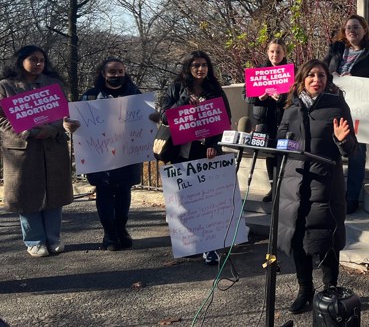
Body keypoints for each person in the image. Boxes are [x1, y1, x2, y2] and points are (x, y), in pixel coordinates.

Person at [276, 59, 357, 314]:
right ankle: (305, 290)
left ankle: (330, 290)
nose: (316, 80)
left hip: (325, 185)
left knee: (327, 239)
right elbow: (279, 143)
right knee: (297, 239)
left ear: (327, 80)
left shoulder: (337, 105)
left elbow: (351, 149)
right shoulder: (290, 108)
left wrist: (341, 141)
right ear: (302, 79)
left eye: (321, 75)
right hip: (294, 185)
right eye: (310, 75)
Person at [64, 58, 144, 251]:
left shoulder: (135, 94)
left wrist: (153, 118)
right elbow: (76, 123)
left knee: (124, 191)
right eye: (112, 72)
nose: (117, 75)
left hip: (128, 153)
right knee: (105, 192)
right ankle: (109, 234)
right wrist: (69, 125)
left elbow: (145, 118)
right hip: (98, 154)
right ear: (103, 74)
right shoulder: (90, 97)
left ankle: (121, 229)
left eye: (120, 71)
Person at [0, 45, 74, 257]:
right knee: (27, 195)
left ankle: (54, 238)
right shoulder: (5, 87)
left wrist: (52, 130)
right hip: (21, 150)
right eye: (34, 59)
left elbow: (66, 115)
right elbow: (0, 119)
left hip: (53, 146)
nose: (39, 64)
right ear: (21, 60)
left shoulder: (54, 85)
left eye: (42, 60)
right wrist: (26, 132)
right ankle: (34, 241)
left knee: (54, 193)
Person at [160, 50, 232, 265]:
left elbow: (224, 118)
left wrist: (213, 144)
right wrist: (183, 101)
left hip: (205, 152)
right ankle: (189, 241)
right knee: (183, 199)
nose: (200, 69)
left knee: (205, 200)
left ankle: (208, 247)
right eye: (196, 65)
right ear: (188, 68)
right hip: (181, 151)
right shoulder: (176, 88)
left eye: (204, 65)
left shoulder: (214, 89)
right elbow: (165, 115)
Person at [324, 14, 369, 214]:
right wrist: (332, 77)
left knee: (357, 154)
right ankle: (329, 195)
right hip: (334, 106)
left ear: (364, 30)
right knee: (328, 151)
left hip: (360, 110)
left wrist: (357, 80)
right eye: (349, 27)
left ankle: (351, 198)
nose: (352, 30)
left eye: (356, 27)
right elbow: (321, 71)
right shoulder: (335, 50)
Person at [247, 38, 289, 202]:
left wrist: (282, 98)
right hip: (264, 121)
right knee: (269, 154)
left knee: (282, 154)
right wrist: (259, 97)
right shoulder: (258, 72)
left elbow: (297, 94)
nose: (275, 55)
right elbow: (247, 95)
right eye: (272, 51)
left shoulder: (290, 72)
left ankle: (283, 187)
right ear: (267, 52)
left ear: (284, 53)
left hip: (284, 120)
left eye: (278, 51)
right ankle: (273, 188)